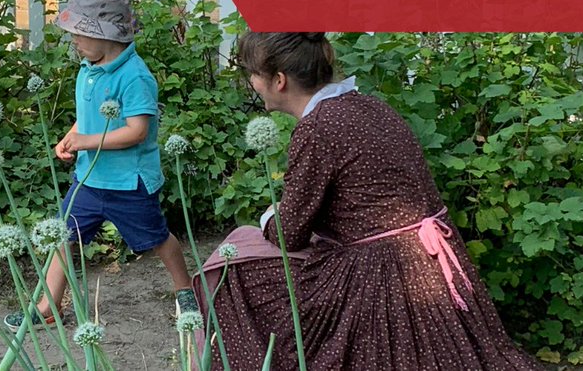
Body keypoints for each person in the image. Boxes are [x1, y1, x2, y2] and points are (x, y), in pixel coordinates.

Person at [193, 32, 541, 370]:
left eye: (253, 74)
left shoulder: (316, 128)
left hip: (377, 274)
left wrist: (272, 215)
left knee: (231, 269)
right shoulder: (372, 106)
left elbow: (291, 234)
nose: (252, 82)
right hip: (434, 261)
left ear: (279, 80)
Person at [5, 0, 199, 330]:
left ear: (107, 35)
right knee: (62, 237)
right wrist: (71, 137)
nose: (74, 40)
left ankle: (185, 288)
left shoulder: (135, 76)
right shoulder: (88, 70)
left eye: (79, 33)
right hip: (89, 179)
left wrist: (86, 142)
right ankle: (48, 307)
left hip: (129, 183)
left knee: (157, 238)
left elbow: (136, 131)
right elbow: (89, 115)